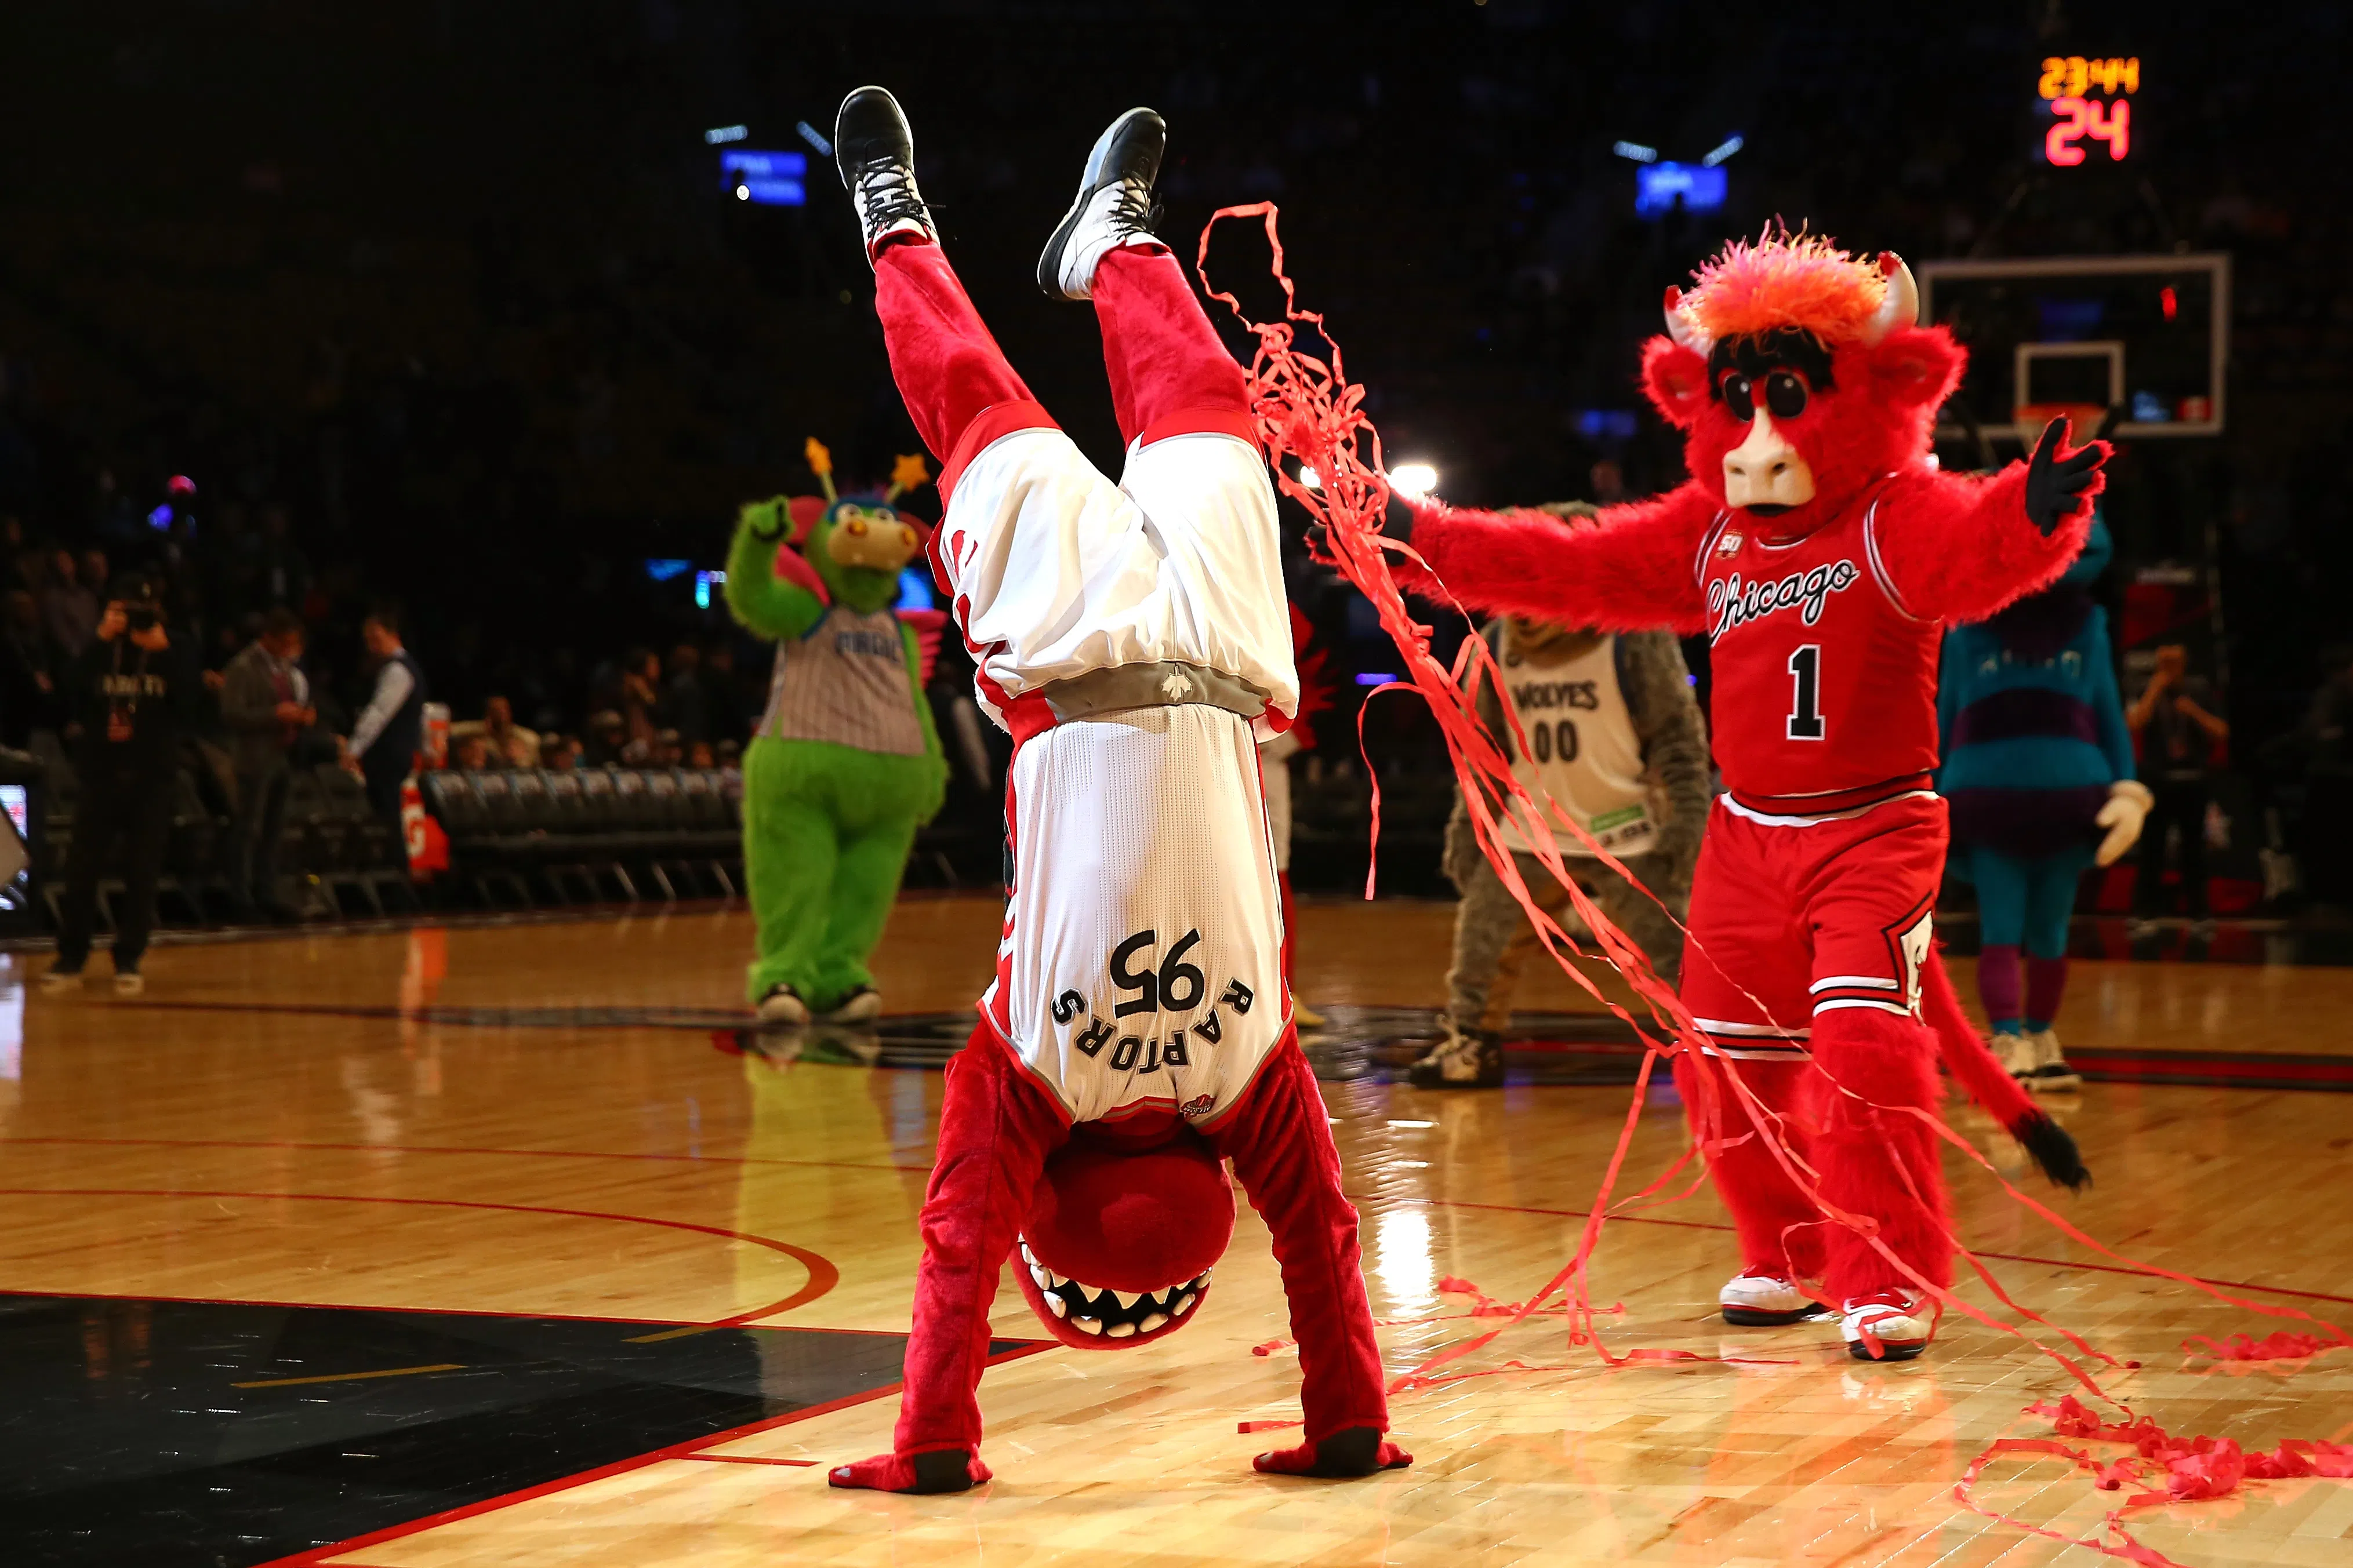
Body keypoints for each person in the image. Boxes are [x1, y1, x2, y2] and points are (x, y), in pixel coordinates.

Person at [1360, 231, 2096, 1359]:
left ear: (1870, 396)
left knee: (1859, 1044)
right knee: (1725, 1057)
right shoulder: (1706, 532)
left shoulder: (1894, 512)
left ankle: (1890, 1266)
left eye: (1788, 399)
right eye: (1737, 400)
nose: (1758, 437)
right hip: (1745, 838)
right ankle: (1785, 1248)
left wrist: (2031, 513)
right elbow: (1569, 562)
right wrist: (1423, 539)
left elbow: (1973, 550)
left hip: (1875, 831)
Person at [824, 89, 1405, 1493]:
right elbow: (957, 1242)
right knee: (980, 407)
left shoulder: (1251, 1068)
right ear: (1047, 1204)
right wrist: (933, 1444)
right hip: (1080, 645)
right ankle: (919, 221)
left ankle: (1110, 248)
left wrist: (1346, 1425)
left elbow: (1322, 1237)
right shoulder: (1023, 1075)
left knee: (1201, 408)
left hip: (1217, 657)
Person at [1412, 551, 1711, 1088]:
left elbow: (1678, 736)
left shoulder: (1631, 635)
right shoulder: (1499, 640)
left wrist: (1687, 821)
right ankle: (1473, 1043)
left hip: (1626, 827)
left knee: (1670, 953)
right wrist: (1468, 825)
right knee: (1483, 942)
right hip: (1532, 828)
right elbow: (1484, 748)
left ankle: (1709, 1050)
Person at [43, 573, 199, 995]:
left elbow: (193, 705)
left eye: (140, 611)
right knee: (82, 870)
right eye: (124, 609)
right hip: (100, 775)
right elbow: (68, 691)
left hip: (153, 779)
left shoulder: (176, 647)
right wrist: (98, 639)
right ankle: (70, 956)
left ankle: (129, 957)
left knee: (142, 873)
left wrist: (163, 653)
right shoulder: (100, 648)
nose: (133, 619)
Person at [217, 607, 315, 921]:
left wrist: (301, 718)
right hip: (253, 758)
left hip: (280, 757)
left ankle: (267, 891)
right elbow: (232, 714)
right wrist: (274, 715)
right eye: (286, 642)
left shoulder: (284, 668)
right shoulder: (243, 667)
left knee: (274, 830)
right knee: (249, 829)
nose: (291, 649)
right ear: (268, 638)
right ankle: (240, 896)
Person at [2126, 642, 2227, 922]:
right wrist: (2155, 690)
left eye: (2174, 663)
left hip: (2193, 778)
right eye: (2163, 664)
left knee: (2194, 848)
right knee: (2152, 848)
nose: (2168, 669)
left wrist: (2193, 711)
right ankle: (2146, 912)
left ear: (2184, 664)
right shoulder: (2145, 688)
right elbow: (2135, 722)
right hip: (2157, 780)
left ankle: (2199, 912)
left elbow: (2221, 732)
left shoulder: (2199, 689)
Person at [344, 608, 427, 828]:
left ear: (393, 635)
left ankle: (396, 863)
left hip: (389, 755)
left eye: (376, 639)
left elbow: (379, 713)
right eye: (368, 641)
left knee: (387, 817)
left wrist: (354, 749)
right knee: (383, 815)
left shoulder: (398, 671)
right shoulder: (394, 668)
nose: (372, 647)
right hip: (392, 753)